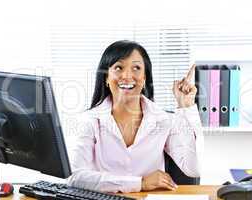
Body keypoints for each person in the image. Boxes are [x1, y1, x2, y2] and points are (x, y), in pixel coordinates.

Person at [67, 40, 203, 193]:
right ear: (106, 77)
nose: (127, 76)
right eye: (118, 67)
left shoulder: (164, 119)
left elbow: (193, 169)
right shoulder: (90, 120)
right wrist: (140, 183)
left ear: (144, 78)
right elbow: (76, 177)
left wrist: (186, 107)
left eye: (136, 68)